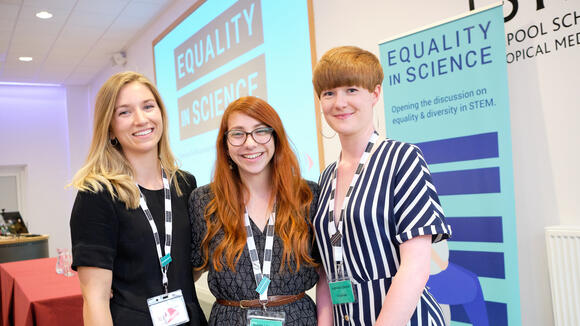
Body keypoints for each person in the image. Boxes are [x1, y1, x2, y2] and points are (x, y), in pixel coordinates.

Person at [311, 46, 452, 325]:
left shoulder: (403, 158)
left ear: (375, 93)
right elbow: (327, 272)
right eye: (329, 93)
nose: (339, 102)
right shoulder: (326, 177)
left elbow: (416, 265)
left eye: (351, 90)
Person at [69, 71, 207, 326]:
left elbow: (184, 269)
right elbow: (95, 298)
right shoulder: (97, 193)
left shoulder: (185, 184)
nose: (141, 119)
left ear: (161, 114)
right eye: (124, 112)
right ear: (109, 128)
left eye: (148, 106)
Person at [189, 96, 325, 325]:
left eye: (260, 131)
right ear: (225, 143)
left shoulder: (307, 195)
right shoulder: (205, 201)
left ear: (275, 137)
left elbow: (326, 272)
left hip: (299, 319)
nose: (250, 143)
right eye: (238, 133)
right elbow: (189, 270)